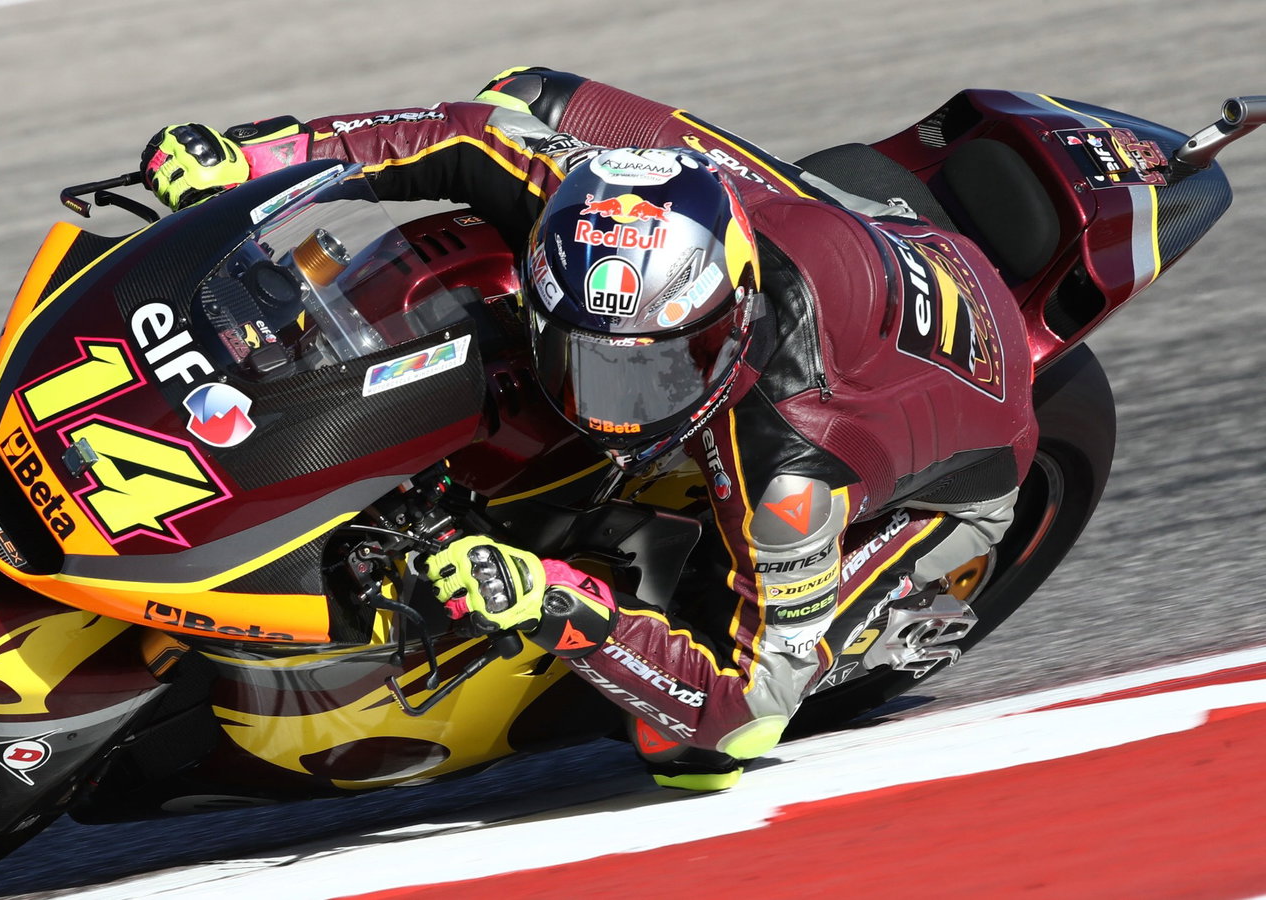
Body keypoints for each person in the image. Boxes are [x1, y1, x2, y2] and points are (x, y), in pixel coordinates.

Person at [137, 67, 1039, 790]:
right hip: (826, 229)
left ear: (723, 332)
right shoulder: (600, 216)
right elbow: (462, 135)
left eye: (650, 371)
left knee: (685, 752)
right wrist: (260, 159)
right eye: (581, 355)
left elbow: (749, 708)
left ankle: (887, 604)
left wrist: (560, 604)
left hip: (968, 453)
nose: (606, 403)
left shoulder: (790, 471)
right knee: (522, 96)